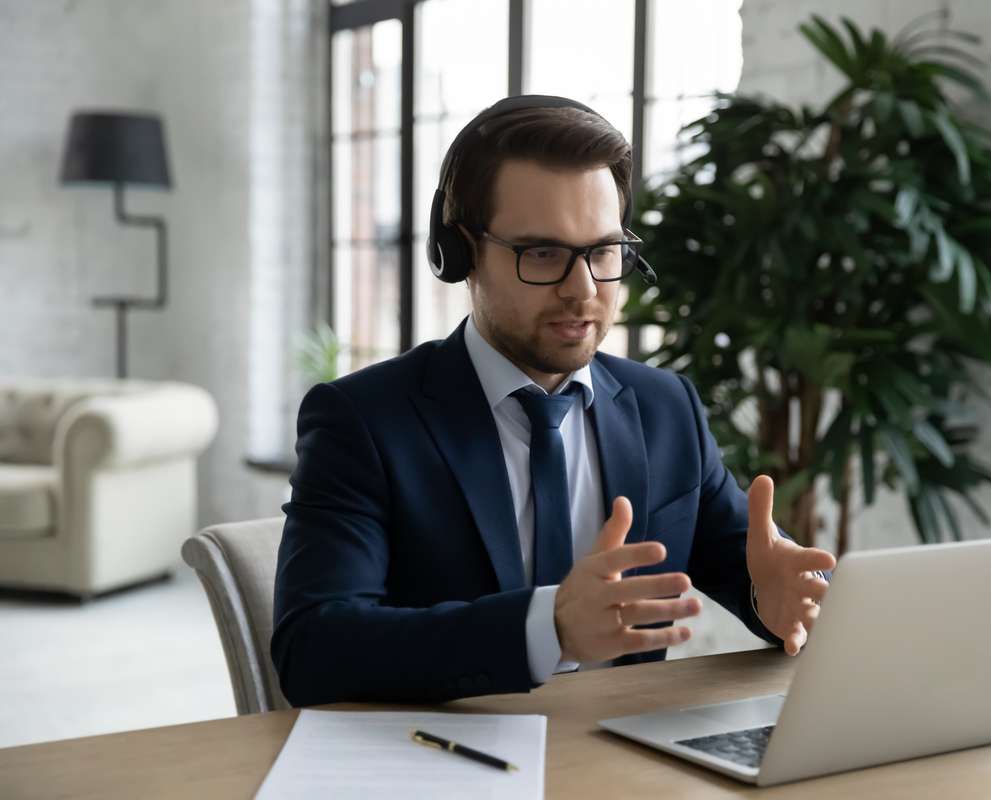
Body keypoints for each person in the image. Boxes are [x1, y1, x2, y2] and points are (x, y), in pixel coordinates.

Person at [271, 95, 837, 707]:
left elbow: (750, 566)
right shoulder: (363, 421)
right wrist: (549, 627)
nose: (582, 289)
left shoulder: (664, 406)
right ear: (461, 253)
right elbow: (313, 648)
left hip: (625, 759)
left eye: (602, 251)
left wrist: (778, 600)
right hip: (444, 760)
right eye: (542, 253)